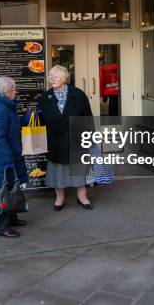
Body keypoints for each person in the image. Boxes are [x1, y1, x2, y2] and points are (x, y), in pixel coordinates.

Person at [38, 65, 93, 211]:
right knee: (58, 171)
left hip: (76, 140)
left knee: (79, 170)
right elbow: (41, 121)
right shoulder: (45, 97)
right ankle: (59, 198)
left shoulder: (79, 95)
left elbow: (87, 118)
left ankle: (82, 197)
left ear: (64, 77)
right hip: (55, 141)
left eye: (55, 76)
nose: (51, 79)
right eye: (50, 77)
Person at [0, 77, 28, 238]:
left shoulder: (5, 107)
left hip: (11, 154)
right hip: (5, 157)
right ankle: (1, 226)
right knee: (3, 191)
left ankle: (12, 218)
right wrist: (8, 158)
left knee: (12, 187)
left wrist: (24, 119)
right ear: (6, 92)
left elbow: (11, 124)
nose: (15, 92)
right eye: (13, 90)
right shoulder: (0, 109)